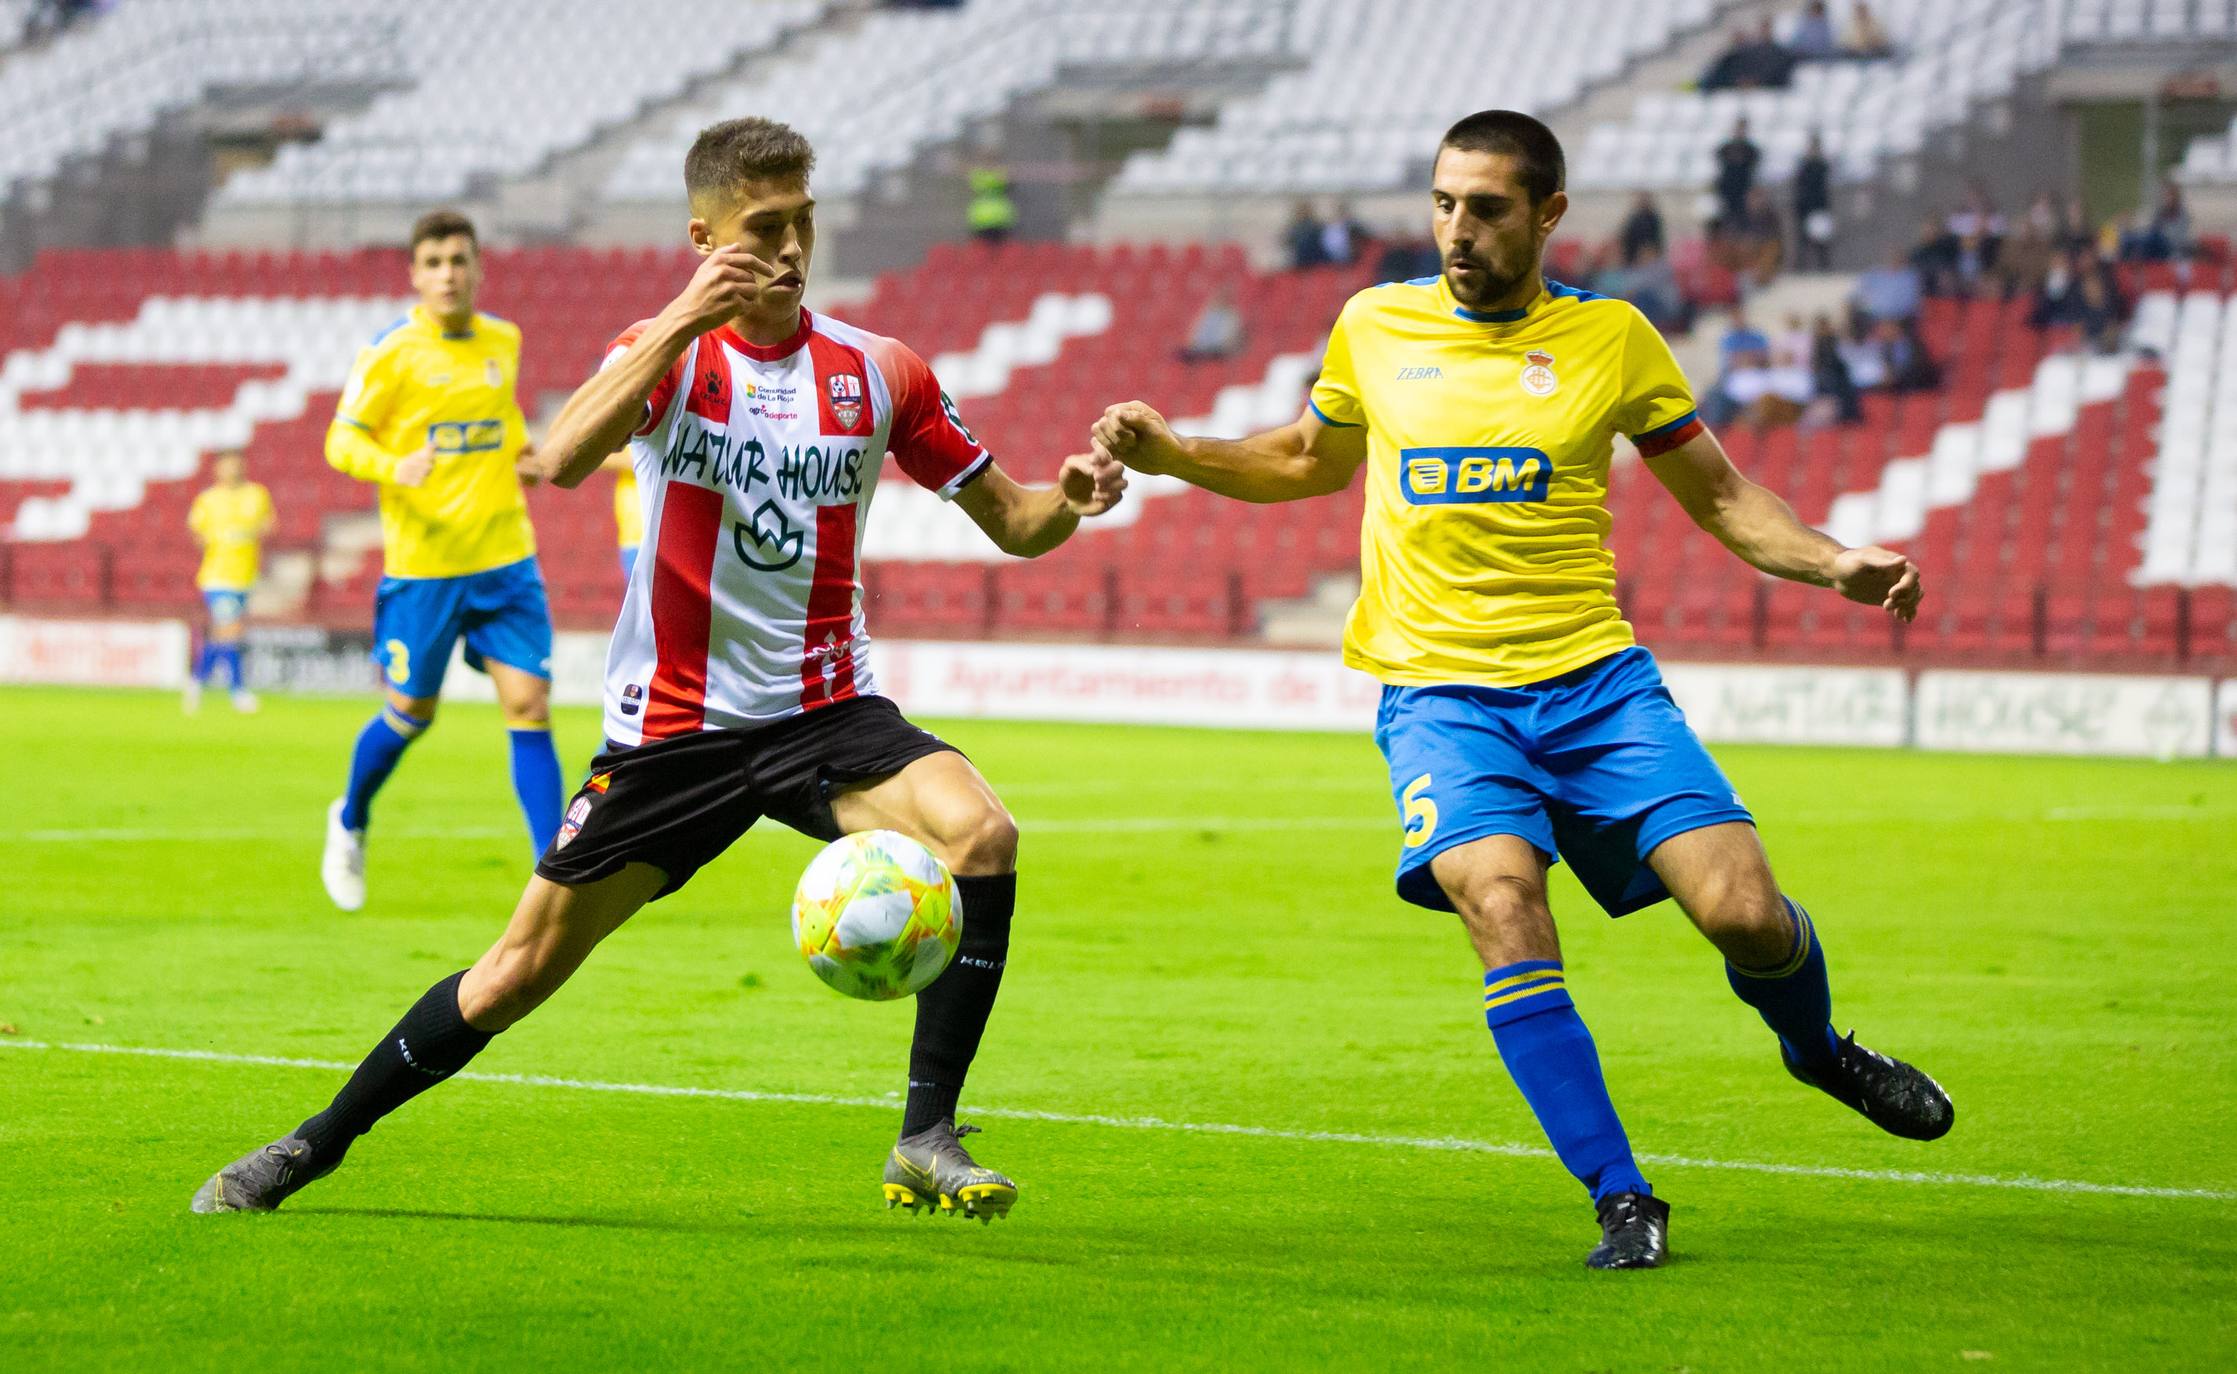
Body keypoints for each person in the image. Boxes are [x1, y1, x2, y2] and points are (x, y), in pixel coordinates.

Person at [191, 117, 1127, 1222]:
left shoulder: (879, 375)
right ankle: (309, 1148)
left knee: (983, 833)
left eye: (801, 225)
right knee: (513, 974)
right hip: (672, 735)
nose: (786, 251)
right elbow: (558, 457)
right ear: (703, 236)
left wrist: (1070, 498)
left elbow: (1014, 522)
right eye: (761, 229)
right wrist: (686, 317)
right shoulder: (665, 357)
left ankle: (925, 1134)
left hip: (825, 713)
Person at [1090, 110, 1950, 1271]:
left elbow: (1721, 496)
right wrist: (1177, 453)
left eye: (1486, 208)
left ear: (1546, 214)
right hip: (1441, 698)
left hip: (1594, 686)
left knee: (1744, 913)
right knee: (1500, 905)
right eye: (1443, 203)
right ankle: (1620, 1195)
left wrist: (1832, 559)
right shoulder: (1374, 325)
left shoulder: (1613, 339)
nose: (1457, 229)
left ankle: (1815, 1050)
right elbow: (1305, 458)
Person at [317, 210, 564, 913]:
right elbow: (341, 441)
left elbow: (502, 414)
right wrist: (396, 465)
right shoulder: (392, 351)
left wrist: (523, 452)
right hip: (424, 569)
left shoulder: (502, 340)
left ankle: (555, 879)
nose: (447, 274)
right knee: (409, 714)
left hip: (506, 560)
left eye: (458, 260)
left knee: (530, 706)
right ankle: (350, 818)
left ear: (479, 267)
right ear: (414, 274)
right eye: (433, 262)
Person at [183, 449, 274, 715]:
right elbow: (196, 532)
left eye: (236, 465)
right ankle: (237, 691)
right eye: (226, 465)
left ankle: (197, 680)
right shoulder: (208, 499)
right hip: (218, 575)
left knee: (226, 633)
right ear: (217, 469)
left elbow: (269, 524)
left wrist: (248, 535)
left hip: (245, 575)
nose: (231, 470)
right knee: (231, 630)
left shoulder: (256, 494)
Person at [1792, 133, 1834, 270]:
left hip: (1819, 208)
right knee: (1803, 241)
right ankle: (1801, 268)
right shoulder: (1803, 166)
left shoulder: (1822, 166)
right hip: (1805, 208)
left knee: (1821, 241)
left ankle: (1824, 268)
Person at [1853, 247, 1922, 323]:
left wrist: (1890, 317)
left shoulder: (1910, 276)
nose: (1893, 259)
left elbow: (1911, 301)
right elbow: (1860, 294)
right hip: (1874, 316)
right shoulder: (1873, 274)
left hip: (1900, 318)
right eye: (1890, 256)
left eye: (1896, 256)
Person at [1714, 118, 1761, 230]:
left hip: (1744, 188)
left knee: (1743, 217)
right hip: (1728, 188)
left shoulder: (1751, 150)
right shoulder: (1725, 148)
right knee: (1727, 216)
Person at [1179, 287, 1246, 362]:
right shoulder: (1209, 312)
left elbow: (1228, 339)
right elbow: (1196, 331)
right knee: (1182, 353)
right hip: (1201, 348)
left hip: (1217, 350)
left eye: (1222, 298)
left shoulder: (1232, 315)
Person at [605, 451, 642, 581]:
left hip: (660, 531)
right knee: (637, 594)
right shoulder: (624, 432)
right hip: (632, 534)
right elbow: (602, 457)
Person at [966, 166, 1016, 245]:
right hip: (982, 219)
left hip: (999, 219)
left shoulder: (999, 175)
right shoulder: (980, 176)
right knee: (981, 249)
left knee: (1003, 249)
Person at [1617, 191, 1664, 267]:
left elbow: (1657, 239)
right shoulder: (1633, 219)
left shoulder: (1653, 219)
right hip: (1633, 257)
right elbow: (1625, 236)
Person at [1286, 199, 1329, 270]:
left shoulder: (1316, 226)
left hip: (1316, 261)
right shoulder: (1294, 227)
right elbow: (1288, 242)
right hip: (1300, 261)